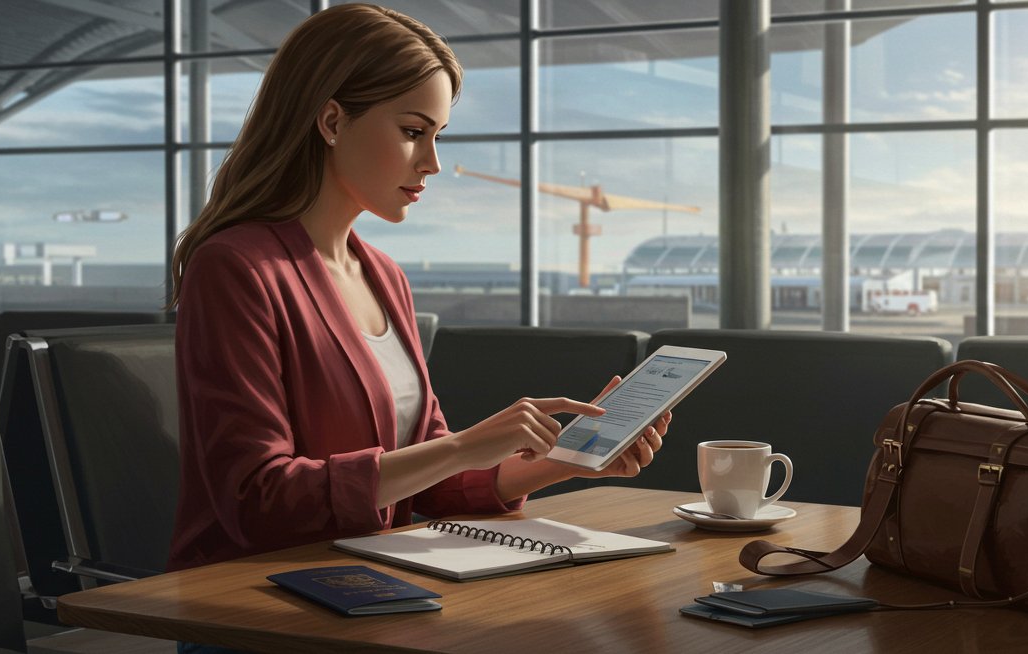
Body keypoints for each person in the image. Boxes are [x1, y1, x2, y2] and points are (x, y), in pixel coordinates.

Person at [165, 3, 669, 574]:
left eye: (437, 135)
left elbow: (426, 487)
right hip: (251, 604)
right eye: (412, 132)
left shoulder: (384, 276)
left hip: (372, 580)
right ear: (331, 122)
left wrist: (566, 461)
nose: (431, 162)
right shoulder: (236, 269)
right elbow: (256, 503)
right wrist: (461, 446)